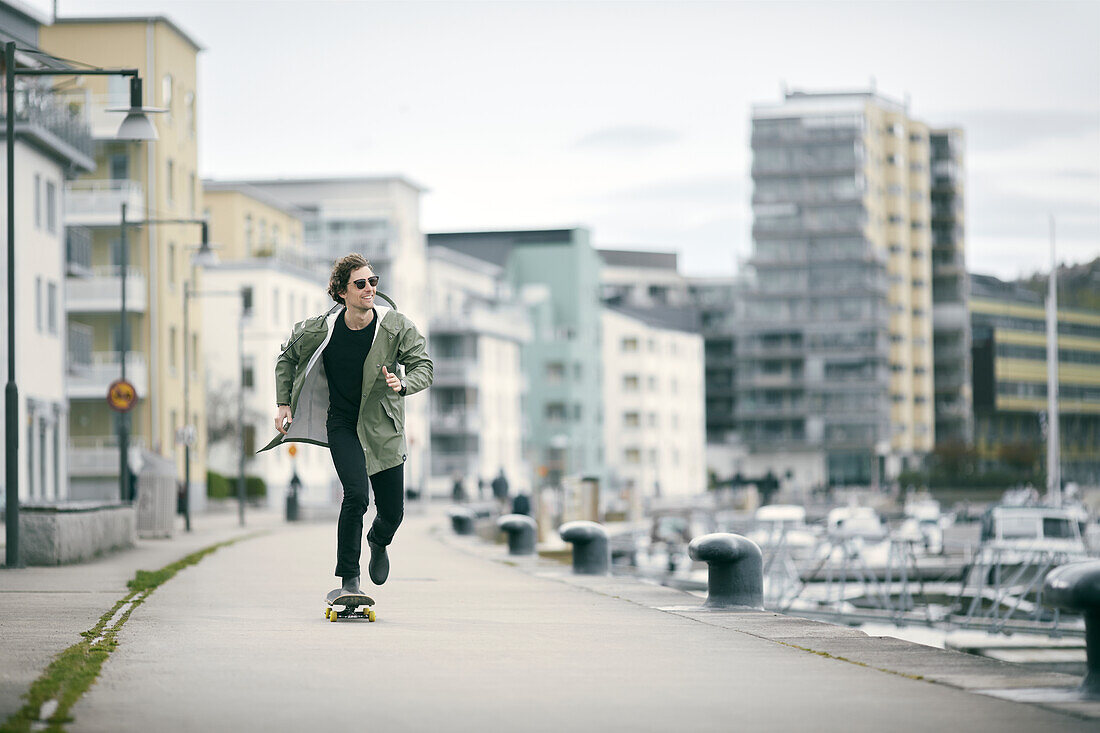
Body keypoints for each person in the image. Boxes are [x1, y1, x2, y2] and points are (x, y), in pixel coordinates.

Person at [259, 253, 433, 600]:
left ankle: (378, 540)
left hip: (384, 428)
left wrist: (404, 383)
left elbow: (424, 366)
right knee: (355, 496)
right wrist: (282, 403)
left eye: (373, 282)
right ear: (341, 292)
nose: (370, 289)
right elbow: (286, 357)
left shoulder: (395, 325)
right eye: (361, 284)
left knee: (393, 513)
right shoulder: (320, 329)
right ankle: (349, 580)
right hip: (343, 424)